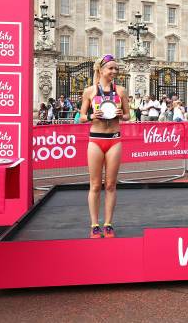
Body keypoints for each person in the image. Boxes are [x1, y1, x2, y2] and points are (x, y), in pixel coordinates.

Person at [80, 54, 130, 238]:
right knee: (94, 185)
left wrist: (120, 114)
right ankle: (94, 224)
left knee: (110, 185)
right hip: (95, 139)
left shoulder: (121, 91)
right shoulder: (90, 91)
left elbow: (128, 116)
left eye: (116, 68)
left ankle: (108, 223)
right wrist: (92, 116)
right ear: (101, 70)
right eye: (111, 68)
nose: (114, 71)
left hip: (114, 140)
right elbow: (81, 117)